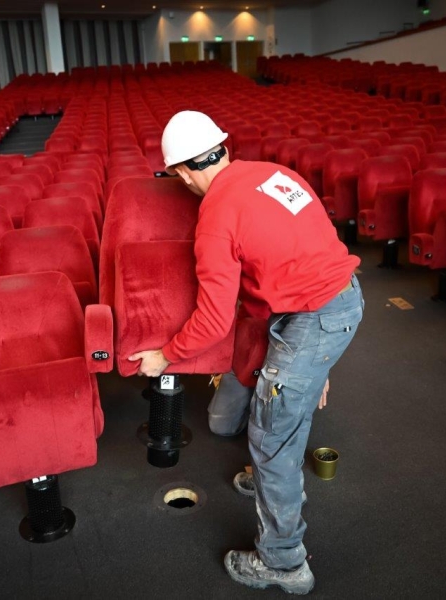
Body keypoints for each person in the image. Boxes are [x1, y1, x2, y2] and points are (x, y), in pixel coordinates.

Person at [127, 111, 364, 595]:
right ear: (224, 148)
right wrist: (319, 359)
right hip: (341, 300)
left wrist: (164, 357)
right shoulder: (276, 174)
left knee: (270, 434)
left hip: (312, 320)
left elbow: (213, 321)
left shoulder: (214, 217)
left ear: (184, 172)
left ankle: (284, 563)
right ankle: (268, 478)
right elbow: (311, 250)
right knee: (276, 410)